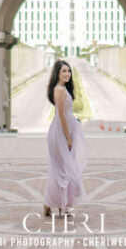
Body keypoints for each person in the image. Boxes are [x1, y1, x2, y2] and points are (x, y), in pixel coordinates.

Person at [43, 59, 88, 217]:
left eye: (69, 71)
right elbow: (61, 115)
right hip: (61, 131)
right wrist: (68, 137)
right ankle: (61, 205)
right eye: (63, 71)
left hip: (66, 127)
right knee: (62, 168)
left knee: (63, 167)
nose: (67, 74)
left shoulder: (64, 88)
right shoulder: (59, 90)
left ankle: (51, 203)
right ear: (57, 73)